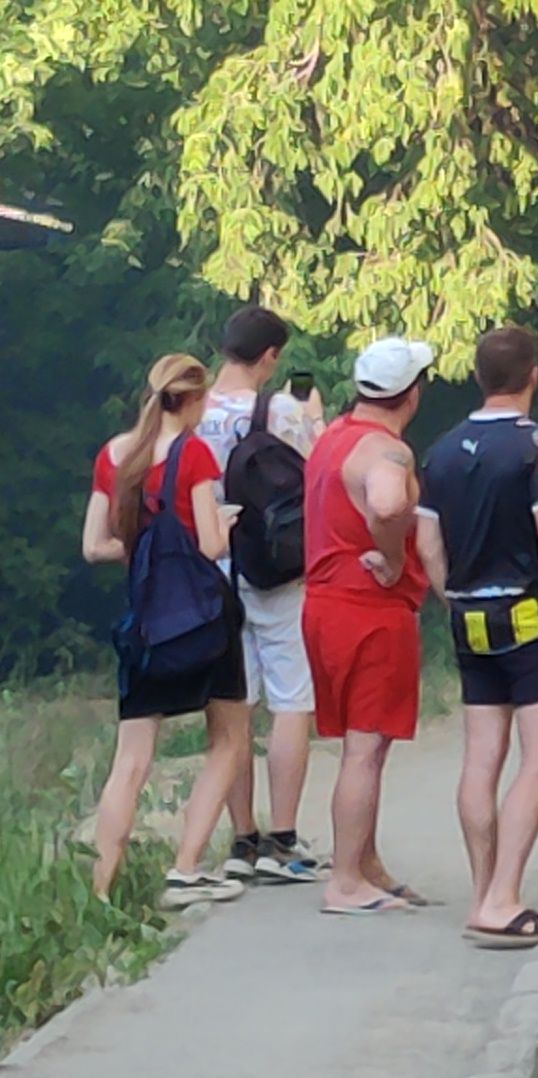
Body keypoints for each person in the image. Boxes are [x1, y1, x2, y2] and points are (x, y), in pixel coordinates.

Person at [417, 326, 538, 949]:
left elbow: (427, 543)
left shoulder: (440, 449)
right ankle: (505, 899)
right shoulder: (536, 445)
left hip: (468, 618)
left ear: (478, 377)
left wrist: (450, 598)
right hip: (529, 619)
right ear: (532, 376)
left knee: (482, 758)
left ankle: (483, 891)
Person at [82, 354, 251, 908]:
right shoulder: (194, 453)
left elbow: (94, 545)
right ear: (196, 400)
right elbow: (209, 546)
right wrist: (222, 523)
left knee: (130, 761)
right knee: (227, 737)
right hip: (203, 618)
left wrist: (143, 548)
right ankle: (186, 867)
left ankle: (101, 889)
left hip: (146, 621)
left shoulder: (113, 453)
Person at [304, 338, 435, 915]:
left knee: (364, 747)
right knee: (366, 746)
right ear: (412, 394)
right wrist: (394, 558)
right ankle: (345, 882)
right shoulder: (388, 452)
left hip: (324, 601)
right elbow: (385, 505)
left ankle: (365, 863)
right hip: (370, 608)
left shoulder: (333, 438)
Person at [197, 305, 327, 885]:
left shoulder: (188, 407)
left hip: (208, 568)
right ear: (270, 357)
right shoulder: (278, 410)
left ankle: (241, 839)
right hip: (274, 570)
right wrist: (314, 419)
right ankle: (284, 838)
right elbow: (319, 470)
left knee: (232, 709)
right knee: (292, 700)